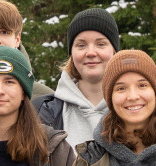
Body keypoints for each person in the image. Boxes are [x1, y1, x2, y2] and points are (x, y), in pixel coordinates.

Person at [33, 8, 118, 147]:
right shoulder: (43, 112)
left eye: (101, 44)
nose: (90, 52)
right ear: (71, 54)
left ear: (114, 51)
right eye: (81, 45)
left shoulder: (138, 106)